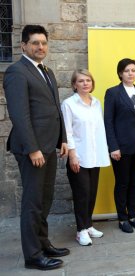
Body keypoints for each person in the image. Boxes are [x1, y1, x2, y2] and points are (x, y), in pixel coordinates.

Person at [3, 25, 69, 270]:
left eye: (43, 43)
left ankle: (43, 243)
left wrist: (62, 138)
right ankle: (33, 255)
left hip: (49, 146)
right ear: (23, 46)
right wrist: (33, 149)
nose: (40, 47)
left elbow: (54, 108)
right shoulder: (16, 72)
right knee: (32, 202)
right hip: (33, 150)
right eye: (35, 43)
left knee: (45, 197)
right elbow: (19, 115)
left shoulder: (47, 71)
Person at [104, 58, 135, 233]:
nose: (130, 73)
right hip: (122, 147)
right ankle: (122, 218)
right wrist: (113, 147)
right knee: (122, 182)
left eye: (133, 70)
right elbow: (108, 122)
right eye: (127, 71)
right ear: (120, 73)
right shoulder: (113, 93)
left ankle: (132, 215)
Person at [61, 69, 110, 245]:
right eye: (81, 81)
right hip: (78, 156)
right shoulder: (68, 104)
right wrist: (72, 155)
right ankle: (80, 230)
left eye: (88, 80)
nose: (85, 83)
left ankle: (88, 225)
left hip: (94, 155)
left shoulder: (96, 103)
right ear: (74, 84)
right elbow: (66, 131)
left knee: (91, 193)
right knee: (81, 193)